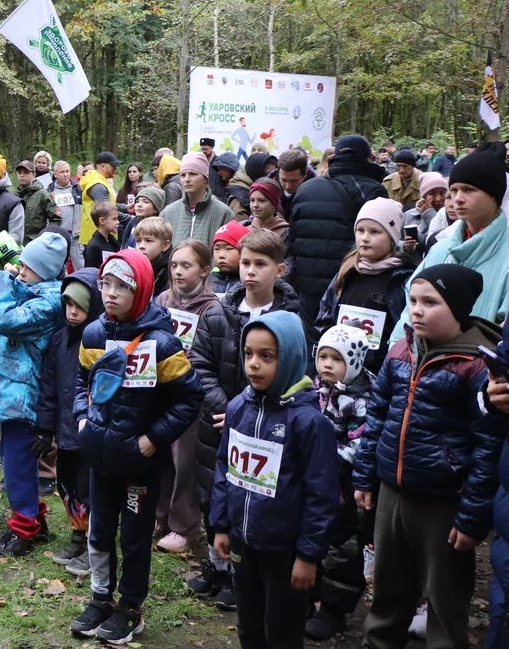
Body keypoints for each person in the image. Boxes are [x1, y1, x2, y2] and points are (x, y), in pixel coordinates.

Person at [353, 265, 506, 649]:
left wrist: (472, 518)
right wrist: (364, 474)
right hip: (392, 490)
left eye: (430, 302)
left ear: (457, 308)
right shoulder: (400, 351)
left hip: (443, 500)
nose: (417, 310)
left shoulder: (476, 366)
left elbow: (487, 445)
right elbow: (376, 415)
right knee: (388, 584)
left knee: (444, 593)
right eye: (413, 300)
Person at [70, 249, 203, 644]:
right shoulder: (94, 334)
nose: (111, 293)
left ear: (141, 289)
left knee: (133, 537)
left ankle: (130, 607)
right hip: (100, 456)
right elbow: (80, 382)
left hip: (139, 464)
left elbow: (189, 398)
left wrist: (153, 438)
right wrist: (83, 420)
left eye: (122, 286)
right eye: (105, 284)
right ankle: (100, 598)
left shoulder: (162, 343)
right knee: (99, 531)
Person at [210, 311, 338, 649]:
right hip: (242, 541)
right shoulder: (237, 408)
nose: (254, 364)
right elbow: (225, 469)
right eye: (248, 354)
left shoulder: (309, 423)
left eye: (267, 356)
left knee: (282, 631)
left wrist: (308, 555)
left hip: (284, 551)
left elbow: (321, 495)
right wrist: (220, 525)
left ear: (291, 357)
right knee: (249, 626)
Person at [0, 232, 68, 555]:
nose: (21, 269)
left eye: (29, 266)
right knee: (14, 460)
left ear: (45, 271)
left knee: (17, 463)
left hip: (24, 399)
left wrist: (2, 279)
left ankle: (24, 526)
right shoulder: (33, 292)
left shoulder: (48, 303)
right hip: (9, 393)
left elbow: (3, 321)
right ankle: (33, 517)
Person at [154, 240, 231, 560]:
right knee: (159, 455)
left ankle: (184, 526)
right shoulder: (162, 299)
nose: (178, 272)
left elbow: (212, 357)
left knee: (183, 461)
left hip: (190, 395)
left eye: (186, 266)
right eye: (174, 265)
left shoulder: (213, 308)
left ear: (204, 270)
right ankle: (158, 515)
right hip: (160, 390)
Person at [394, 142, 509, 340]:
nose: (458, 198)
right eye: (454, 190)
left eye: (468, 190)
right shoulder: (441, 248)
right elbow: (409, 313)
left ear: (494, 195)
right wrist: (397, 350)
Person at [305, 324, 374, 641]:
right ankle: (306, 597)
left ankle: (334, 610)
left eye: (337, 359)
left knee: (342, 549)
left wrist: (325, 457)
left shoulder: (360, 400)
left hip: (344, 487)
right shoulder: (314, 389)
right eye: (323, 357)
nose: (327, 365)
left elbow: (360, 444)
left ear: (354, 362)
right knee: (311, 536)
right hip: (312, 482)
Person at [39, 267, 103, 575]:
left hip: (89, 431)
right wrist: (44, 428)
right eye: (68, 304)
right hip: (64, 429)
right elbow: (48, 386)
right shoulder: (58, 340)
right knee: (66, 485)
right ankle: (77, 534)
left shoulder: (100, 341)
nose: (73, 312)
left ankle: (94, 543)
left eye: (80, 306)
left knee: (89, 488)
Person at [288, 134, 388, 324]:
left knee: (311, 339)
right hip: (349, 286)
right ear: (367, 157)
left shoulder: (306, 189)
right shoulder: (371, 190)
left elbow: (292, 240)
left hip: (307, 289)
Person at [314, 198, 414, 377]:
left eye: (375, 231)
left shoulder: (403, 279)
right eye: (360, 230)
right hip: (340, 372)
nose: (365, 238)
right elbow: (325, 315)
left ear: (392, 238)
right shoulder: (346, 273)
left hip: (381, 372)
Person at [162, 152, 233, 247]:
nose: (187, 179)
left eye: (193, 174)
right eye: (183, 175)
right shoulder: (167, 213)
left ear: (205, 179)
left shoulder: (223, 213)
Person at [46, 160, 84, 269]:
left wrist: (82, 226)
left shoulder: (77, 188)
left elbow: (85, 209)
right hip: (57, 234)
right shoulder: (49, 190)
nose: (65, 174)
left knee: (80, 264)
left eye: (67, 171)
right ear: (55, 174)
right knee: (57, 266)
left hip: (75, 234)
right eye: (62, 172)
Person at [78, 151, 119, 248]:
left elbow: (109, 203)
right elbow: (106, 211)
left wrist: (125, 208)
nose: (116, 169)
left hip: (98, 234)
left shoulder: (100, 181)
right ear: (103, 166)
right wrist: (128, 218)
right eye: (113, 166)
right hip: (97, 237)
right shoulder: (98, 185)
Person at [13, 160, 59, 242]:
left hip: (36, 241)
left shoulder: (42, 194)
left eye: (26, 172)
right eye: (19, 172)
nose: (22, 175)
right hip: (15, 241)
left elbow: (56, 218)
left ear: (34, 175)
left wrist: (46, 237)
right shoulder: (13, 195)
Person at [211, 221, 247, 299]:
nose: (221, 255)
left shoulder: (248, 283)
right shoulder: (205, 281)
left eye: (228, 249)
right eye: (217, 249)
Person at [275, 149, 313, 220]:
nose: (288, 186)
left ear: (305, 174)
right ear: (278, 173)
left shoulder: (315, 193)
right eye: (284, 180)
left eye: (294, 181)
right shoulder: (268, 190)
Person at [82, 201, 120, 269]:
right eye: (114, 219)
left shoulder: (113, 241)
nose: (118, 222)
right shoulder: (93, 246)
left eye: (117, 219)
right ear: (102, 221)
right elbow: (89, 271)